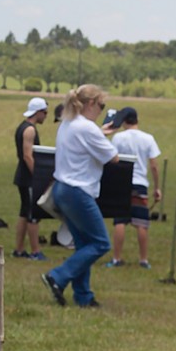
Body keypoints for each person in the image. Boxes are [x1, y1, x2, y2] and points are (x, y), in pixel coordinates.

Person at [41, 84, 120, 309]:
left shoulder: (68, 123)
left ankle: (83, 296)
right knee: (100, 243)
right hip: (78, 192)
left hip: (61, 189)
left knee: (84, 243)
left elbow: (83, 142)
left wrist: (99, 133)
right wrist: (100, 135)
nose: (101, 111)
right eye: (101, 106)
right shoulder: (87, 128)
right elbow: (113, 158)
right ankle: (57, 276)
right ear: (91, 103)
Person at [103, 108, 161, 269]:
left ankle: (116, 258)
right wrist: (157, 188)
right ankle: (143, 260)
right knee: (142, 223)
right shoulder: (148, 138)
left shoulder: (118, 137)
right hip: (140, 183)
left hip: (122, 182)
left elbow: (112, 158)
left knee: (120, 221)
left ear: (124, 121)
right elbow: (154, 165)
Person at [12, 96, 50, 261]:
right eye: (45, 112)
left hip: (22, 176)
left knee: (24, 213)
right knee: (33, 214)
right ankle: (35, 251)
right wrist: (38, 176)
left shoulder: (22, 127)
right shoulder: (30, 130)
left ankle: (19, 249)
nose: (46, 116)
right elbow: (28, 156)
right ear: (38, 112)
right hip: (28, 178)